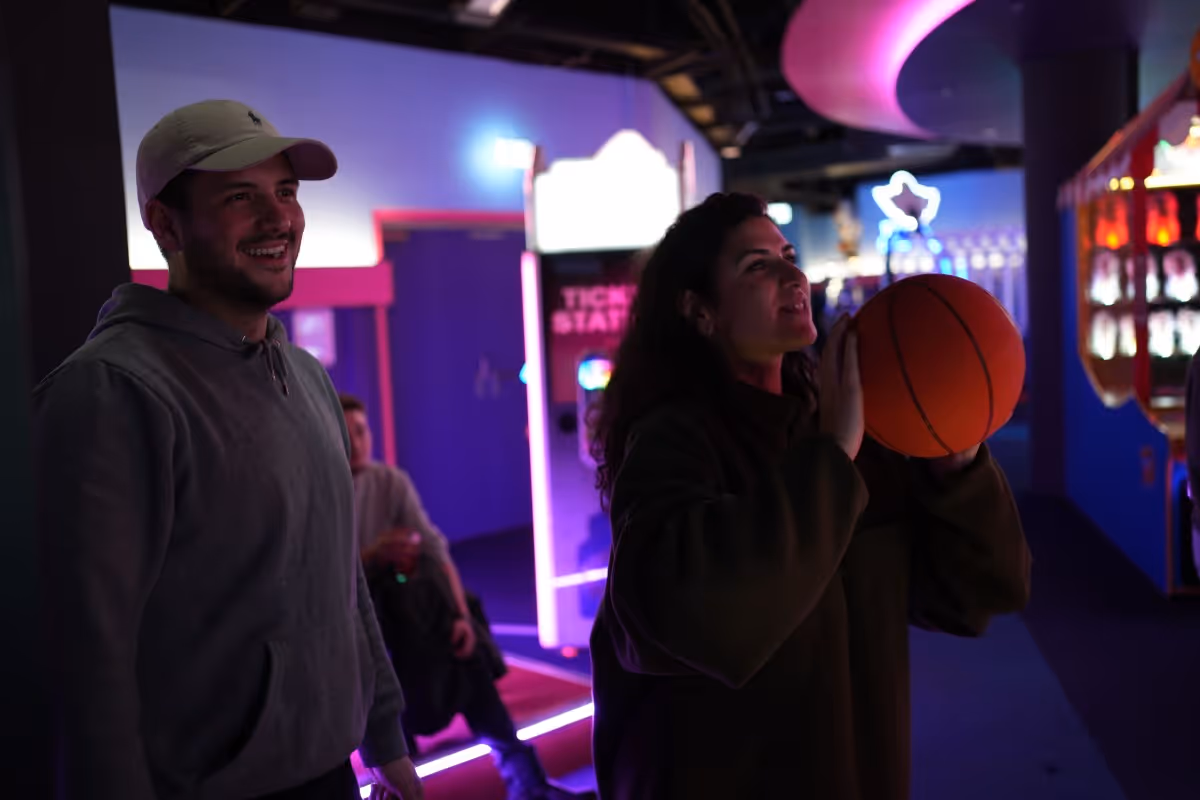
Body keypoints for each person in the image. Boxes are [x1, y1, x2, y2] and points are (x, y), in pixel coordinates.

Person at [32, 100, 422, 800]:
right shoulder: (110, 391)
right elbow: (87, 660)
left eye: (285, 192)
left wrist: (386, 736)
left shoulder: (305, 375)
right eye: (240, 197)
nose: (279, 220)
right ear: (164, 223)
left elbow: (343, 584)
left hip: (331, 773)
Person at [587, 193, 1032, 800]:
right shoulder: (671, 441)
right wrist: (833, 456)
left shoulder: (835, 429)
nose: (792, 275)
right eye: (756, 265)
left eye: (788, 255)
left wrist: (956, 461)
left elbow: (975, 594)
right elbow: (706, 621)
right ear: (700, 311)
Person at [340, 394, 595, 800]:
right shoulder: (327, 491)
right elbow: (328, 573)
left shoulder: (390, 482)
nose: (356, 442)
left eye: (361, 430)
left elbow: (435, 551)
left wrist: (461, 616)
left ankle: (527, 782)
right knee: (389, 670)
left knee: (468, 657)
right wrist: (374, 555)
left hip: (413, 615)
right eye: (346, 432)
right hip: (363, 629)